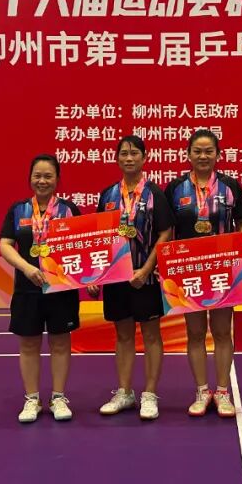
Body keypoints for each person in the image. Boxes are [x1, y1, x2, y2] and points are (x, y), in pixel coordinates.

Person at [164, 129, 242, 418]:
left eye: (208, 151)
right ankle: (202, 391)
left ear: (218, 154)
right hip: (188, 271)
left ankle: (223, 391)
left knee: (223, 331)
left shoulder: (230, 186)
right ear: (188, 154)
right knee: (196, 332)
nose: (203, 156)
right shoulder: (175, 188)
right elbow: (167, 229)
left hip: (223, 269)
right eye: (197, 151)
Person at [89, 136, 174, 421]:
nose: (129, 158)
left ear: (144, 158)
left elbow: (165, 233)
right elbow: (100, 235)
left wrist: (146, 269)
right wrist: (96, 274)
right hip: (116, 280)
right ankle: (125, 392)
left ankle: (150, 394)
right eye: (124, 153)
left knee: (151, 335)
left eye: (134, 153)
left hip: (145, 279)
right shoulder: (108, 195)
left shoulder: (155, 194)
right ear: (117, 159)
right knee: (123, 335)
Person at [0, 154, 81, 424]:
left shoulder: (69, 210)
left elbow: (83, 247)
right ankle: (32, 399)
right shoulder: (18, 210)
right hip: (27, 289)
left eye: (48, 176)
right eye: (37, 176)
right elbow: (5, 244)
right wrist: (26, 267)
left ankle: (58, 397)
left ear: (57, 179)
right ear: (30, 178)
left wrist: (90, 278)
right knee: (29, 344)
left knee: (60, 343)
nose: (42, 181)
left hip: (62, 290)